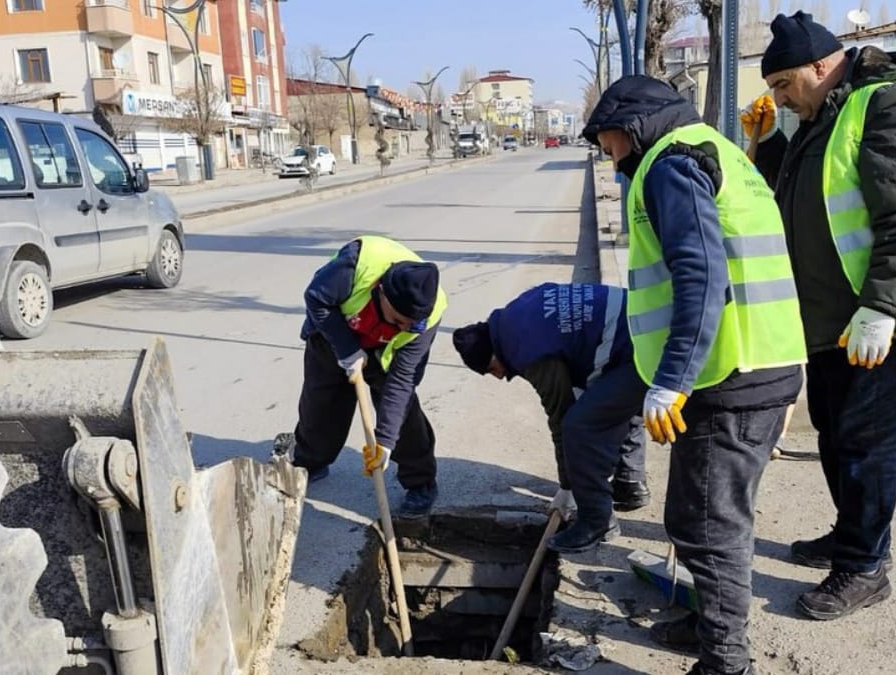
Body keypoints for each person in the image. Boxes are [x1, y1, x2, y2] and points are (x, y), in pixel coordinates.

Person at [584, 75, 807, 675]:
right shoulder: (712, 148)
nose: (611, 164)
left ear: (630, 127)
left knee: (709, 524)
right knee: (699, 513)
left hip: (729, 374)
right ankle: (707, 624)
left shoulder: (671, 166)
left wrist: (672, 378)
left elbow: (701, 276)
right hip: (753, 364)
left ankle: (725, 661)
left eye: (609, 150)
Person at [741, 11, 896, 620]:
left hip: (884, 315)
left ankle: (865, 566)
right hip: (832, 317)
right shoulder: (825, 113)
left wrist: (881, 307)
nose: (780, 98)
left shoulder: (886, 105)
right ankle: (850, 533)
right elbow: (807, 196)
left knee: (866, 443)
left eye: (784, 85)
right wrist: (772, 144)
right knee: (835, 433)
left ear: (819, 65)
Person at [451, 282, 650, 542]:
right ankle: (630, 483)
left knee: (583, 425)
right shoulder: (517, 313)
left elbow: (561, 416)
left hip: (633, 343)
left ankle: (598, 520)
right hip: (643, 318)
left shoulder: (528, 351)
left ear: (493, 353)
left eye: (491, 369)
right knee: (621, 401)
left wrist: (568, 487)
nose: (499, 377)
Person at [280, 235, 447, 518]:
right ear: (380, 292)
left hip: (385, 356)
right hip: (334, 334)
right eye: (397, 321)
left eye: (410, 325)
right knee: (322, 405)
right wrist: (347, 349)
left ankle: (420, 482)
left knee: (402, 413)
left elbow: (403, 380)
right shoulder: (355, 266)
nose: (402, 328)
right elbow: (316, 298)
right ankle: (311, 461)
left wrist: (384, 443)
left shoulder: (427, 318)